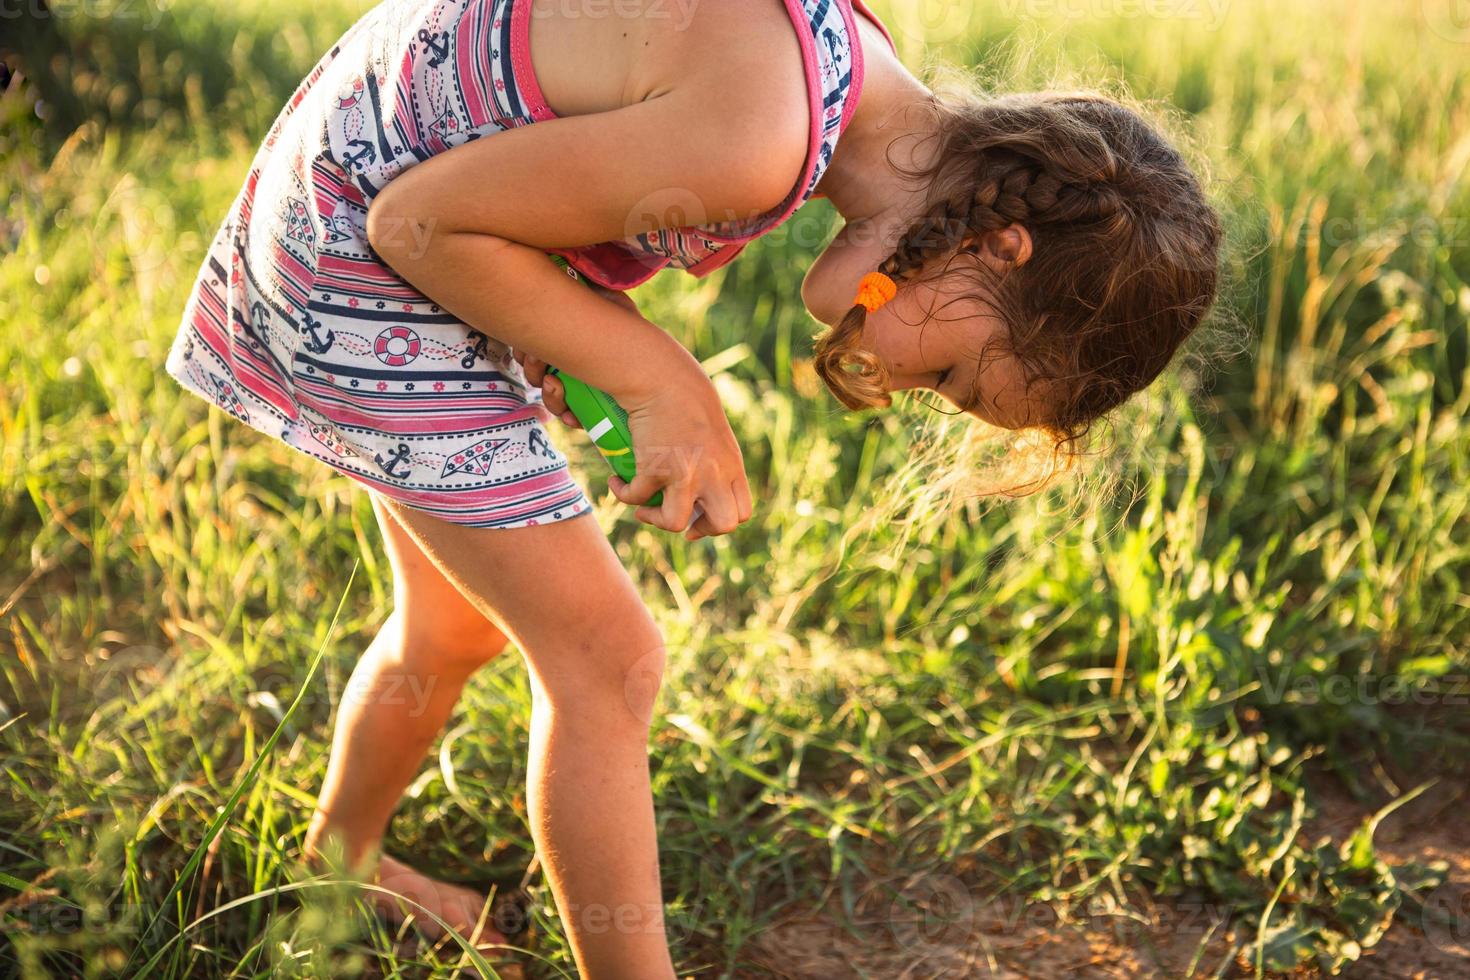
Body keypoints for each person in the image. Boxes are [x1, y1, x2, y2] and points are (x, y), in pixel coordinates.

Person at [164, 0, 1221, 975]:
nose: (901, 386)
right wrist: (654, 373)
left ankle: (339, 862)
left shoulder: (842, 69)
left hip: (355, 207)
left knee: (459, 621)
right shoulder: (752, 141)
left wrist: (568, 319)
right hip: (359, 254)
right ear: (1000, 246)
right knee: (608, 660)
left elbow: (505, 164)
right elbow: (420, 224)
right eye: (948, 373)